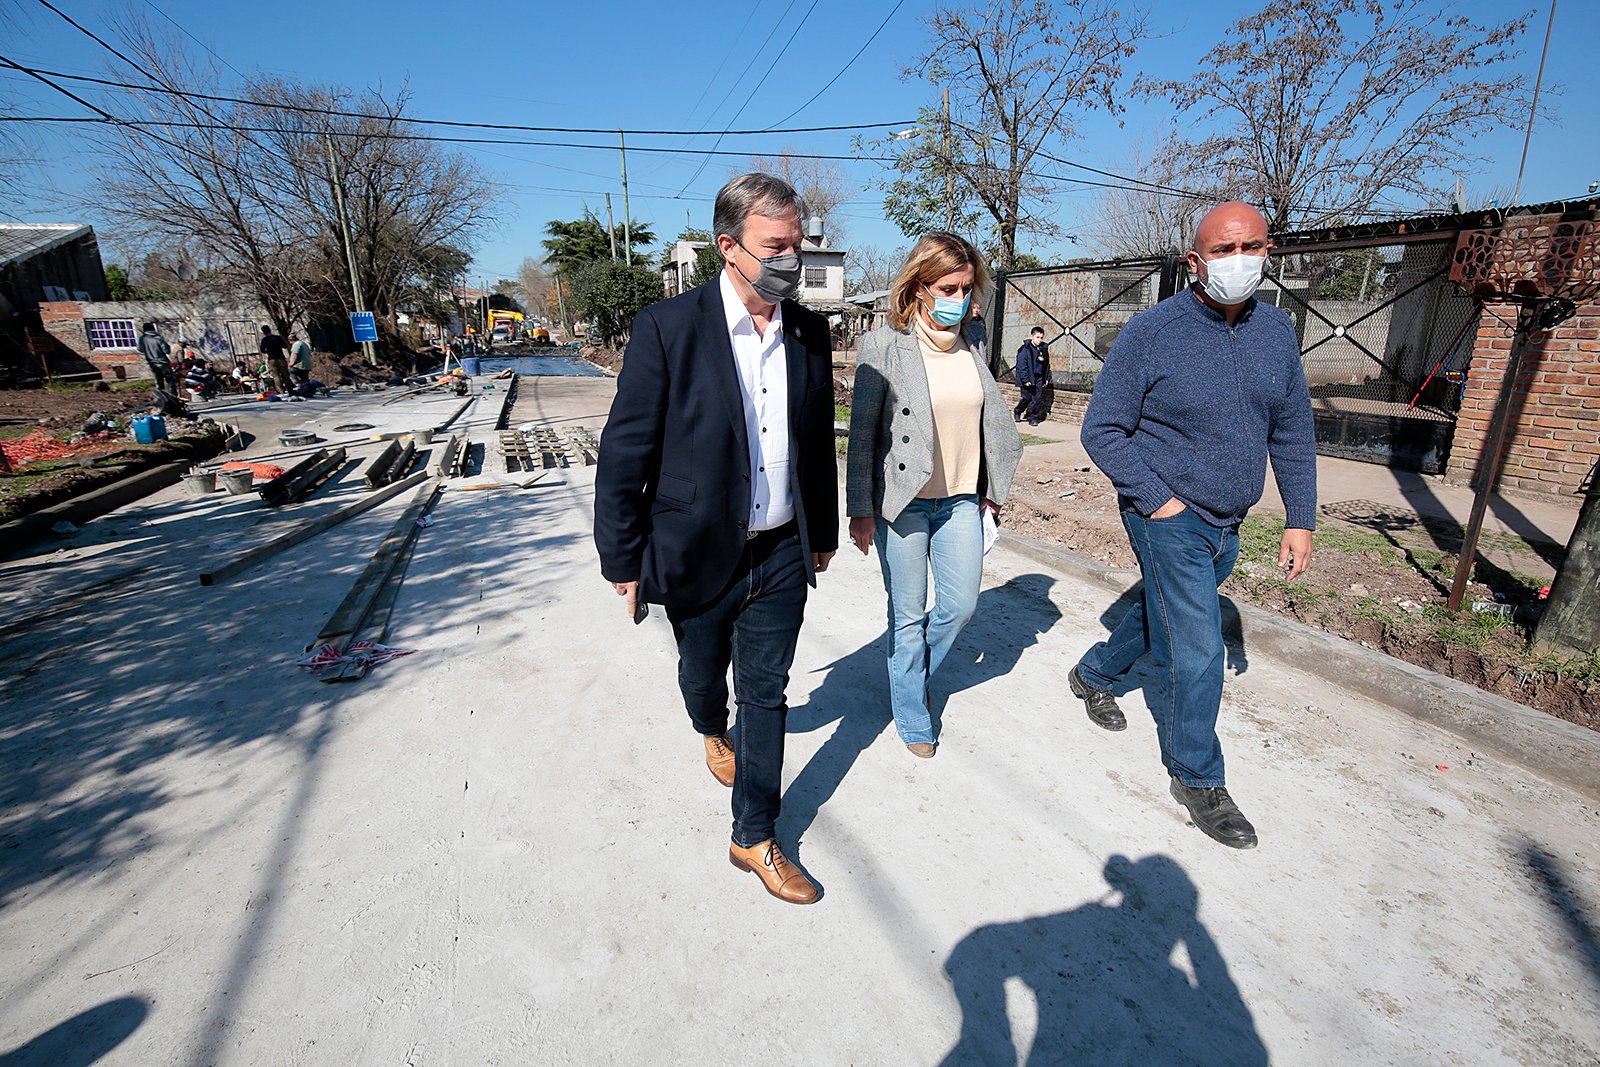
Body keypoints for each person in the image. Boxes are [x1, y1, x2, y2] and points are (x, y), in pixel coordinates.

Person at [594, 173, 839, 905]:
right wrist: (622, 557)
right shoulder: (668, 327)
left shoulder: (808, 330)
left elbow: (814, 442)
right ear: (729, 248)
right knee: (707, 680)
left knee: (765, 694)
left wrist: (819, 531)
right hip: (696, 549)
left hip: (781, 551)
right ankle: (707, 725)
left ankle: (754, 834)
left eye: (798, 243)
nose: (793, 258)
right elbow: (625, 449)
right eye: (778, 245)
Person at [1069, 201, 1316, 850]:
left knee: (1166, 616)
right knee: (1199, 647)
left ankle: (1093, 673)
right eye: (1226, 250)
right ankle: (1198, 777)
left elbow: (1291, 430)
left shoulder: (1278, 333)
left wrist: (1301, 517)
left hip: (1228, 519)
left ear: (1269, 252)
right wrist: (1159, 500)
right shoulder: (1154, 332)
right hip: (1166, 514)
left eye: (1254, 247)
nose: (1242, 261)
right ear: (1196, 262)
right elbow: (1102, 428)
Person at [845, 233, 1022, 758]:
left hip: (961, 499)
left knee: (961, 605)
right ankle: (912, 708)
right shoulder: (884, 344)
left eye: (968, 288)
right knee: (907, 613)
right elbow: (862, 434)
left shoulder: (974, 340)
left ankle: (909, 671)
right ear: (919, 287)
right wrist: (859, 508)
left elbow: (986, 420)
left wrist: (991, 488)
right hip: (902, 499)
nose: (960, 298)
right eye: (948, 287)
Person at [1014, 326, 1050, 424]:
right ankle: (1018, 411)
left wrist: (1047, 377)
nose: (1039, 340)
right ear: (1032, 337)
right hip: (1029, 377)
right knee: (1026, 398)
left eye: (1041, 337)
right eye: (1037, 337)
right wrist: (1025, 380)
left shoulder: (1043, 349)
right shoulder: (1025, 349)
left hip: (1038, 378)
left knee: (1036, 399)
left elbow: (1047, 365)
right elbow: (1022, 366)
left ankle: (1032, 418)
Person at [137, 322, 178, 394]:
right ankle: (173, 396)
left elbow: (140, 349)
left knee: (158, 380)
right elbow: (167, 350)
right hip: (162, 362)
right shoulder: (158, 338)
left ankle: (160, 396)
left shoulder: (142, 339)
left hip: (151, 362)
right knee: (170, 380)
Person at [260, 325, 291, 394]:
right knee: (285, 375)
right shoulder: (278, 338)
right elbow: (284, 346)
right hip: (281, 358)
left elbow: (262, 350)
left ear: (263, 332)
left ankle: (280, 391)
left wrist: (268, 351)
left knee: (276, 376)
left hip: (272, 359)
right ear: (270, 330)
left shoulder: (264, 340)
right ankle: (290, 389)